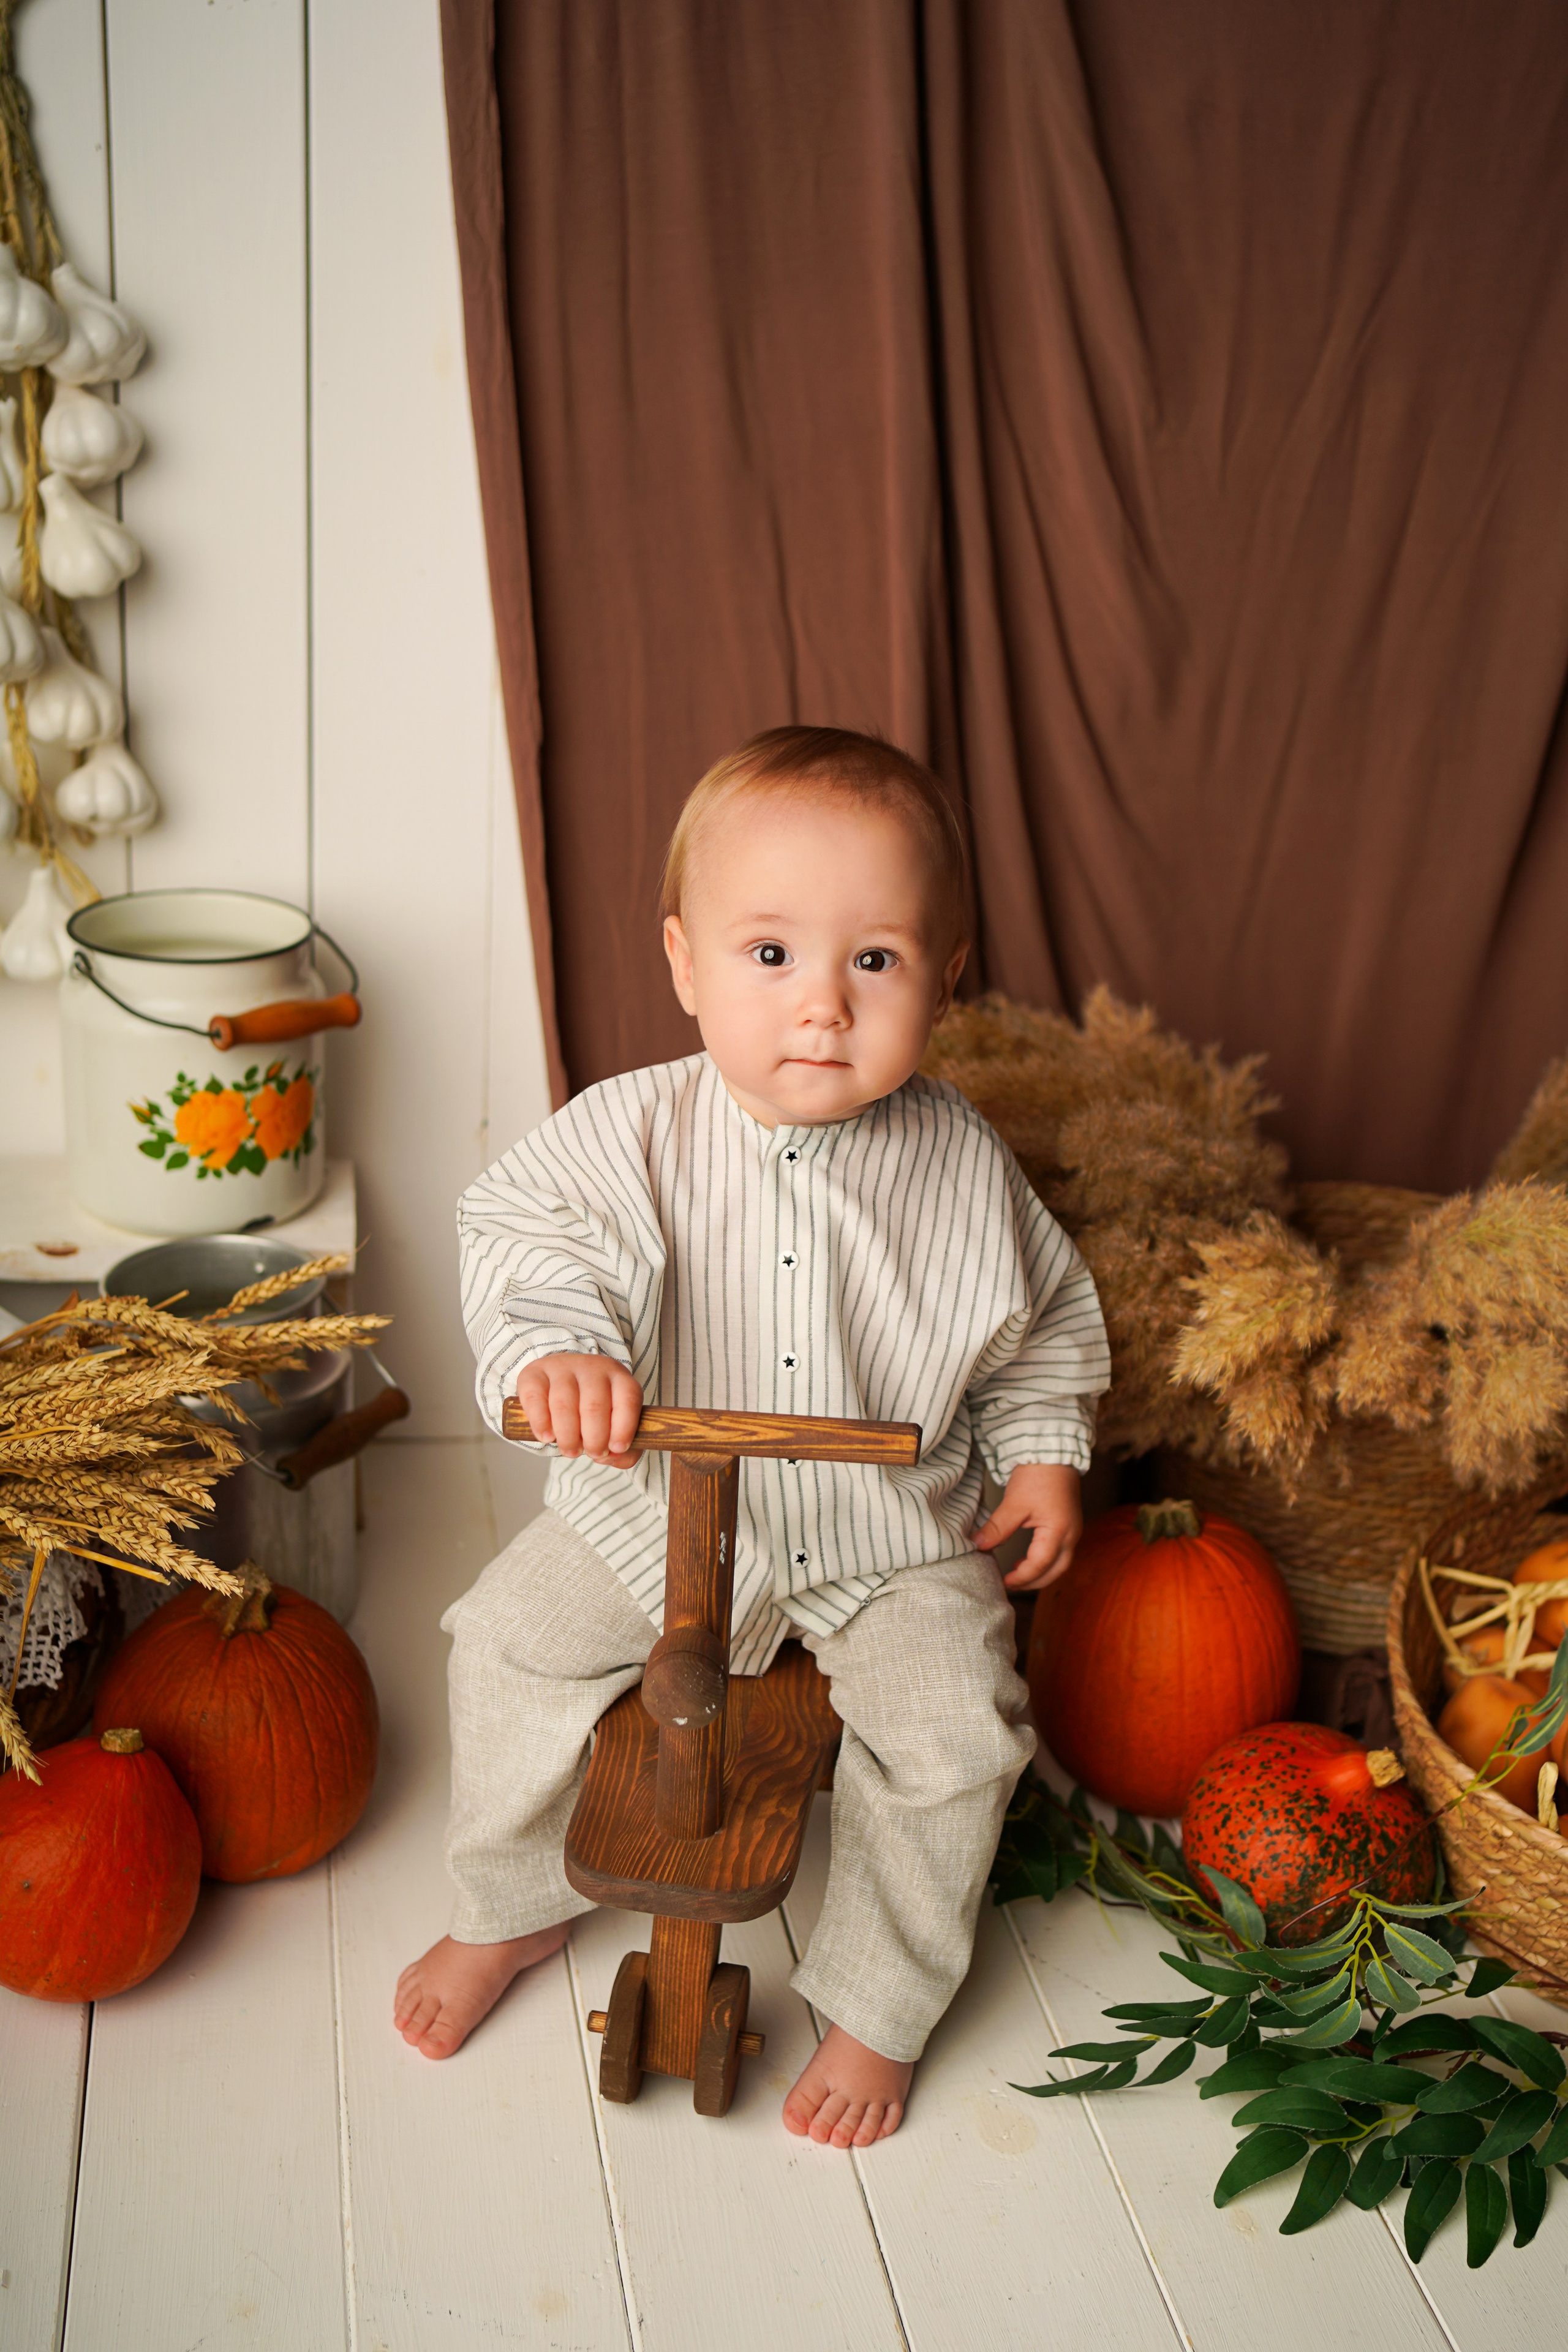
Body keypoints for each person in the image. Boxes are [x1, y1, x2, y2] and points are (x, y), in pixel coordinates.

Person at [395, 725, 1109, 2149]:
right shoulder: (628, 1134)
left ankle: (876, 2002)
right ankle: (511, 1905)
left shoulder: (960, 1163)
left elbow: (1035, 1326)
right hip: (651, 1510)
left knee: (960, 1731)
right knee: (505, 1644)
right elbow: (523, 1239)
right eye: (770, 955)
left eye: (876, 961)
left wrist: (1041, 1450)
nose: (822, 1009)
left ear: (946, 978)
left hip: (885, 1534)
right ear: (683, 964)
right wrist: (560, 1350)